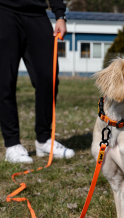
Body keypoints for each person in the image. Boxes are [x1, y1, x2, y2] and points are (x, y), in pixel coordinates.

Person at [0, 0, 75, 163]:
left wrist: (60, 15)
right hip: (4, 11)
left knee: (49, 78)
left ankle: (44, 140)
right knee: (5, 81)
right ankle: (12, 144)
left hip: (37, 14)